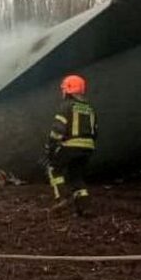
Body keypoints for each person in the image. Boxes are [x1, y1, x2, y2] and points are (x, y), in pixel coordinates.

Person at [45, 74, 97, 216]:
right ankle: (84, 208)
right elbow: (95, 130)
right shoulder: (90, 108)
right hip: (88, 148)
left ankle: (61, 199)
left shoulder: (66, 107)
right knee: (76, 177)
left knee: (54, 169)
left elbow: (58, 129)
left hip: (70, 146)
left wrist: (50, 147)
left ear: (68, 89)